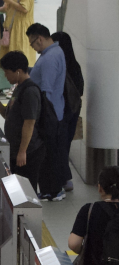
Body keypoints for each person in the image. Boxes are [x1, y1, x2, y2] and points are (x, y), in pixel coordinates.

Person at [0, 50, 45, 191]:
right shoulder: (19, 88)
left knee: (26, 191)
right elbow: (10, 116)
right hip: (16, 149)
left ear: (18, 71)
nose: (6, 76)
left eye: (7, 72)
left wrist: (22, 151)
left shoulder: (30, 91)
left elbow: (29, 123)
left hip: (28, 152)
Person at [27, 22, 67, 200]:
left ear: (40, 39)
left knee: (49, 156)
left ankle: (53, 190)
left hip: (49, 114)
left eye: (32, 43)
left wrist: (42, 117)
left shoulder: (50, 58)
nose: (33, 48)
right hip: (54, 111)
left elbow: (47, 90)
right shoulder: (55, 52)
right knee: (51, 153)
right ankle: (51, 189)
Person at [52, 30, 84, 192]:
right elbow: (81, 90)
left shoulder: (59, 65)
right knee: (65, 144)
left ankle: (64, 179)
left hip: (61, 112)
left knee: (59, 144)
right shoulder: (75, 65)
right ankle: (64, 178)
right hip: (74, 110)